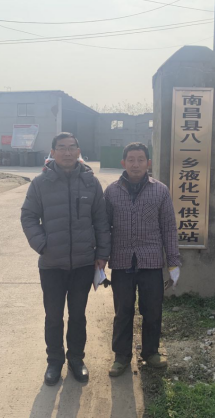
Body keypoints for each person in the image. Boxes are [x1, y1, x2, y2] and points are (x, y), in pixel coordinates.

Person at [21, 133, 110, 386]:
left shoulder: (91, 183)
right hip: (52, 265)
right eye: (62, 148)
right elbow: (28, 216)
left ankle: (76, 359)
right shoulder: (41, 183)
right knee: (53, 316)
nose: (67, 152)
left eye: (72, 147)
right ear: (53, 152)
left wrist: (102, 254)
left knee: (78, 315)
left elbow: (101, 220)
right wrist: (42, 245)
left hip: (83, 263)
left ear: (79, 151)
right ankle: (54, 362)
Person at [104, 142, 181, 377]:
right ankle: (121, 356)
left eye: (140, 160)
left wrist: (173, 262)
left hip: (151, 261)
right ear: (123, 163)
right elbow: (103, 228)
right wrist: (100, 259)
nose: (135, 164)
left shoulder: (160, 191)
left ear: (148, 163)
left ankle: (151, 352)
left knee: (152, 310)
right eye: (131, 160)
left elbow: (169, 228)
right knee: (123, 311)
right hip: (122, 261)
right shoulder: (111, 191)